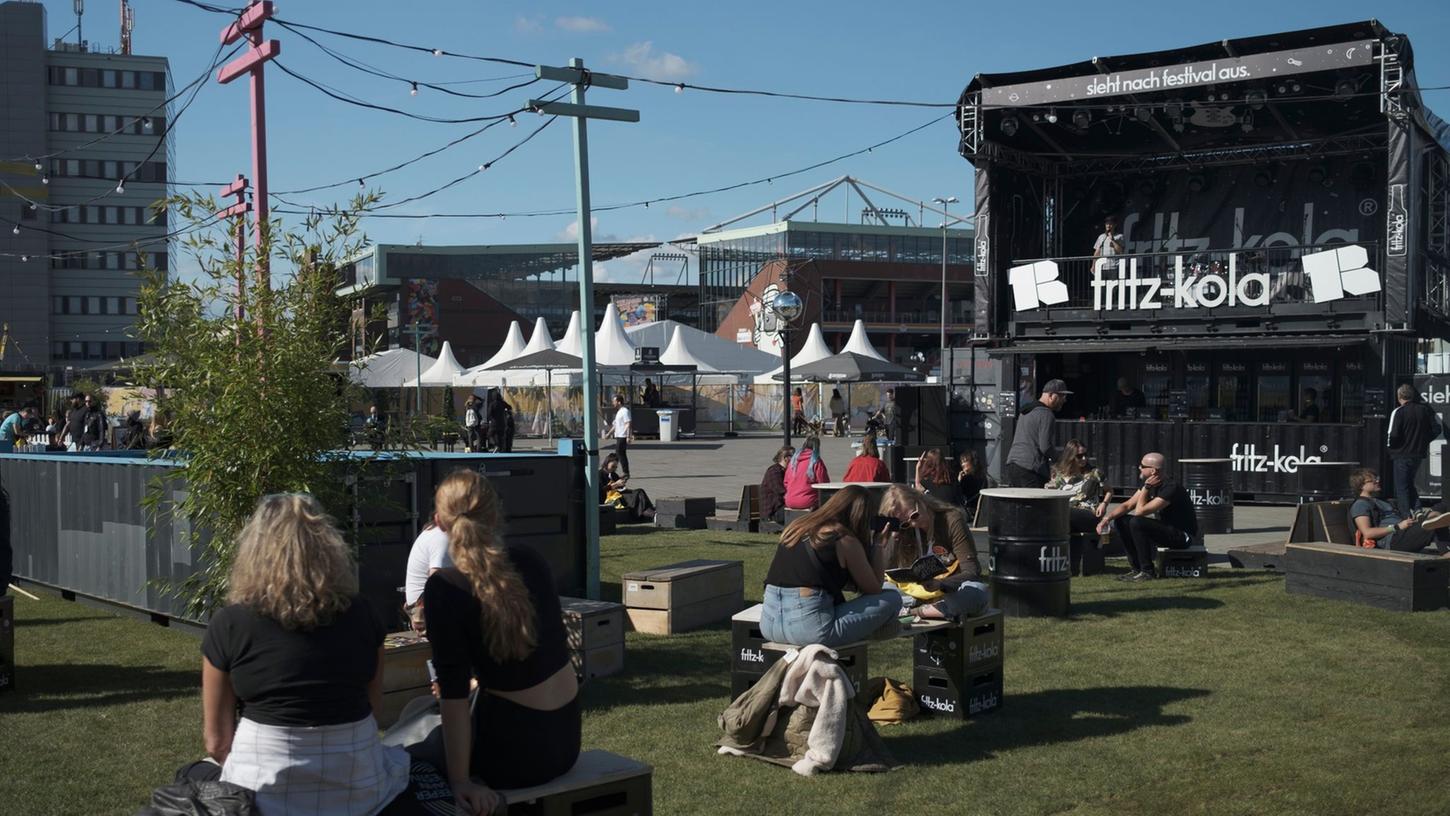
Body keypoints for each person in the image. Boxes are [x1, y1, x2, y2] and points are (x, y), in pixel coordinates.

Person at [200, 493, 410, 814]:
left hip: (264, 796)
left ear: (254, 551)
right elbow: (373, 709)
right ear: (328, 547)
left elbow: (216, 743)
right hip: (357, 789)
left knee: (195, 774)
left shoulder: (230, 623)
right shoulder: (364, 614)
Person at [423, 470, 580, 813]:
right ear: (496, 514)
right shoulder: (531, 561)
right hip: (566, 741)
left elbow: (453, 696)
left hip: (513, 756)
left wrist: (461, 781)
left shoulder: (444, 589)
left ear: (439, 522)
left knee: (415, 735)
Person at [760, 484, 902, 647]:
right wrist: (877, 546)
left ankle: (867, 629)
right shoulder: (843, 539)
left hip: (769, 625)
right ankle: (872, 629)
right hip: (810, 631)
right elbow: (874, 589)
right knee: (892, 596)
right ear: (862, 517)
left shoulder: (797, 527)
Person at [878, 485, 987, 620]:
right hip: (916, 593)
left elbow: (972, 570)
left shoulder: (951, 520)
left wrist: (941, 584)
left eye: (914, 515)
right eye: (905, 523)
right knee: (881, 592)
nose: (913, 524)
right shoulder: (905, 530)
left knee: (977, 592)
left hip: (951, 590)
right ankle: (932, 609)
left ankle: (913, 611)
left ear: (921, 499)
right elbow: (885, 572)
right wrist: (893, 537)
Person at [1096, 452, 1199, 581]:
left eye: (1142, 466)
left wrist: (1146, 488)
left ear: (1153, 471)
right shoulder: (1150, 484)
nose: (1139, 468)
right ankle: (1137, 569)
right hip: (1167, 531)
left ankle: (1148, 571)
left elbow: (1140, 512)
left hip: (1183, 537)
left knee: (1136, 522)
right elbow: (1127, 505)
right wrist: (1106, 519)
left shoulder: (1170, 488)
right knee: (1121, 521)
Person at [1347, 468, 1450, 553]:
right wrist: (1396, 527)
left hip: (1404, 532)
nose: (1377, 481)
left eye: (1377, 478)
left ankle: (1431, 520)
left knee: (1441, 507)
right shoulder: (1360, 504)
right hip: (1393, 541)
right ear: (1361, 486)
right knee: (1435, 523)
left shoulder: (1383, 501)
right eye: (1372, 480)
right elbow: (1368, 533)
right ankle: (1446, 551)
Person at [1004, 379, 1071, 487]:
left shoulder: (1026, 411)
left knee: (1018, 502)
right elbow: (1045, 447)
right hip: (1030, 468)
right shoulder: (1046, 414)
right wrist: (1060, 460)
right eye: (1062, 396)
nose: (1064, 400)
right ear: (1051, 395)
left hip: (1013, 464)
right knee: (1033, 503)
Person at [1386, 383, 1440, 516]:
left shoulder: (1398, 411)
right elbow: (1437, 429)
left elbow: (1392, 435)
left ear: (1399, 397)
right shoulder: (1424, 410)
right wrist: (1424, 442)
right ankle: (1417, 510)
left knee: (1401, 487)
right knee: (1409, 483)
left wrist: (1392, 448)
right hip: (1418, 453)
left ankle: (1406, 516)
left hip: (1401, 453)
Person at [1046, 439, 1111, 535]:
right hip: (1066, 513)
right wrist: (1049, 489)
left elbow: (1109, 490)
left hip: (1088, 513)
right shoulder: (1059, 474)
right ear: (1071, 457)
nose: (1084, 458)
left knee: (1065, 514)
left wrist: (1104, 504)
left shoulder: (1094, 473)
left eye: (1086, 455)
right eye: (1079, 456)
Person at [403, 523, 451, 633]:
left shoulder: (434, 533)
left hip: (423, 611)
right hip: (428, 614)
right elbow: (436, 582)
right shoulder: (442, 537)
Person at [601, 452, 654, 522]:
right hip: (612, 498)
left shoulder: (613, 474)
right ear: (606, 464)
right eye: (613, 466)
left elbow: (620, 488)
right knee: (637, 495)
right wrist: (616, 484)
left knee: (640, 491)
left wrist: (622, 483)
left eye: (616, 467)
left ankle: (650, 511)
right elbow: (601, 489)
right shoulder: (600, 474)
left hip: (619, 494)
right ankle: (651, 513)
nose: (614, 469)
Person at [783, 435, 830, 511]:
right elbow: (824, 483)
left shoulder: (793, 461)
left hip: (789, 500)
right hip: (807, 501)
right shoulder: (816, 461)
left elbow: (786, 482)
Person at [759, 445, 793, 525]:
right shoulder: (774, 472)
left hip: (780, 507)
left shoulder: (785, 471)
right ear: (786, 458)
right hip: (773, 512)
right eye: (794, 457)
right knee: (798, 512)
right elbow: (781, 491)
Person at [610, 394, 632, 478]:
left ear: (619, 402)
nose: (613, 403)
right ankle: (616, 470)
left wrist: (628, 436)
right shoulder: (619, 412)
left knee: (619, 454)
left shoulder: (625, 411)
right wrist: (609, 434)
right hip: (619, 435)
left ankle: (624, 472)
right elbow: (615, 425)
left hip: (623, 436)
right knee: (619, 454)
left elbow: (628, 423)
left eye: (614, 401)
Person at [485, 388, 509, 453]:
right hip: (502, 422)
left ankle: (496, 445)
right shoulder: (502, 403)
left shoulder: (492, 404)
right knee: (500, 436)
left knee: (490, 435)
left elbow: (489, 413)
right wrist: (505, 411)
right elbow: (509, 407)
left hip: (494, 423)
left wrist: (489, 419)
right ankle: (500, 448)